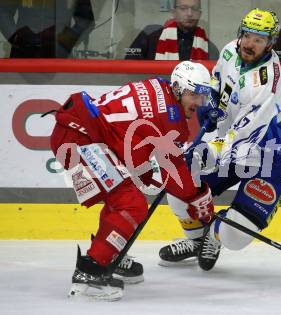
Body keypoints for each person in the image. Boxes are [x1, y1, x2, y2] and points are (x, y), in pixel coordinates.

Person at [49, 61, 215, 301]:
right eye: (194, 95)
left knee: (122, 196)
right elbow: (174, 175)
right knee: (131, 204)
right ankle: (91, 272)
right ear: (178, 88)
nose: (199, 102)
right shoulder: (171, 119)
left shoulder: (159, 85)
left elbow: (135, 148)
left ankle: (109, 254)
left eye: (203, 96)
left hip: (79, 131)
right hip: (80, 138)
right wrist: (200, 199)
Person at [159, 8, 281, 271]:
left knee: (235, 236)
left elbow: (245, 142)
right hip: (233, 143)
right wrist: (212, 104)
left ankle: (215, 235)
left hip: (273, 153)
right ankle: (197, 241)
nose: (249, 44)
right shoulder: (230, 51)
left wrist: (209, 151)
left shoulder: (266, 84)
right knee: (180, 183)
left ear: (270, 43)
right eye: (247, 36)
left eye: (259, 40)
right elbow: (218, 85)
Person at [125, 0, 218, 60]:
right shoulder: (150, 36)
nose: (189, 14)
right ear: (174, 13)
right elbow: (128, 69)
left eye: (194, 9)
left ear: (200, 14)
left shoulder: (210, 49)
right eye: (183, 8)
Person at [0, 0, 94, 58]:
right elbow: (3, 12)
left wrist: (62, 45)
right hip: (23, 53)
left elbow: (86, 20)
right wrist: (18, 39)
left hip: (59, 56)